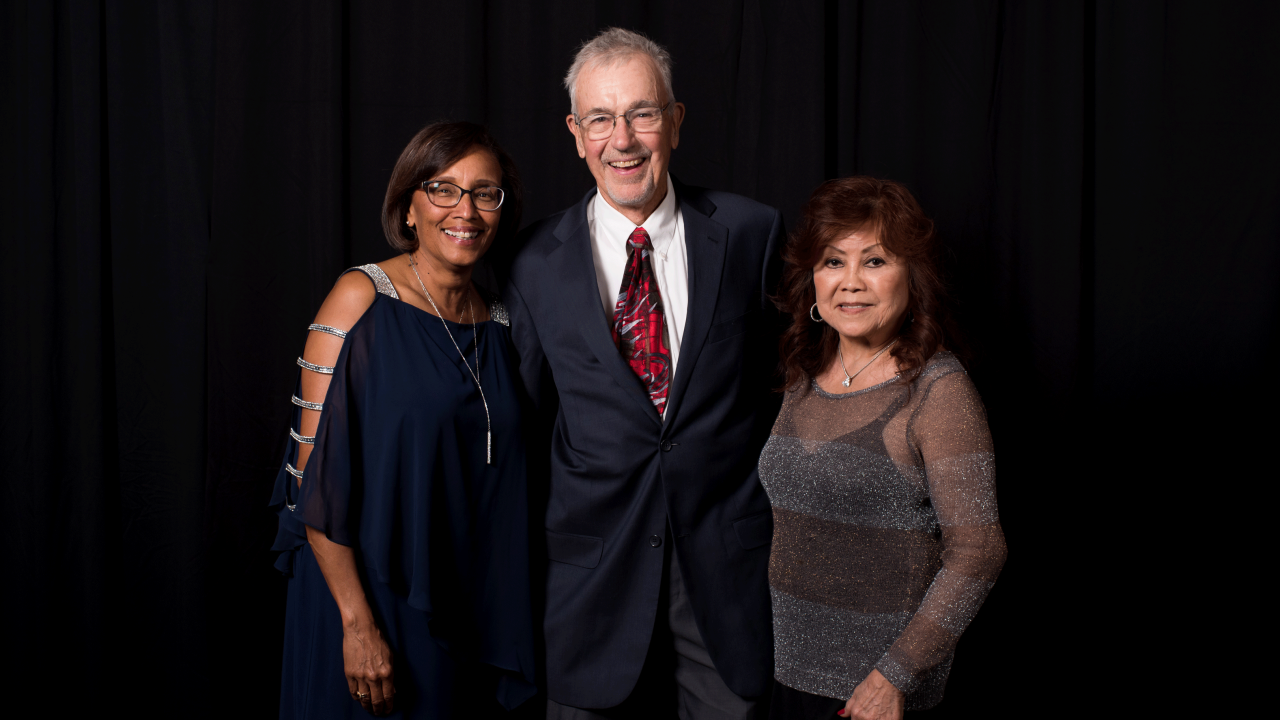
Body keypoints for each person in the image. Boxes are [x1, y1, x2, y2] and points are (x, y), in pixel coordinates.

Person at [503, 28, 784, 720]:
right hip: (586, 575)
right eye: (600, 118)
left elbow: (787, 391)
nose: (621, 139)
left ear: (676, 122)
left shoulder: (752, 234)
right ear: (576, 133)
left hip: (724, 572)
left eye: (642, 113)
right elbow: (524, 421)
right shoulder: (532, 259)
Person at [268, 121, 537, 719]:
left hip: (464, 602)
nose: (464, 210)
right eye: (443, 189)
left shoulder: (502, 323)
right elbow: (308, 482)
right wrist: (357, 624)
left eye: (484, 193)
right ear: (409, 207)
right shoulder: (359, 299)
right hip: (369, 599)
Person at [758, 177, 1007, 720]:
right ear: (812, 280)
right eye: (832, 262)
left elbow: (979, 551)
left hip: (874, 694)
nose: (851, 283)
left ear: (911, 278)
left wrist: (895, 674)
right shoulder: (804, 373)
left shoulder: (938, 391)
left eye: (874, 262)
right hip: (785, 677)